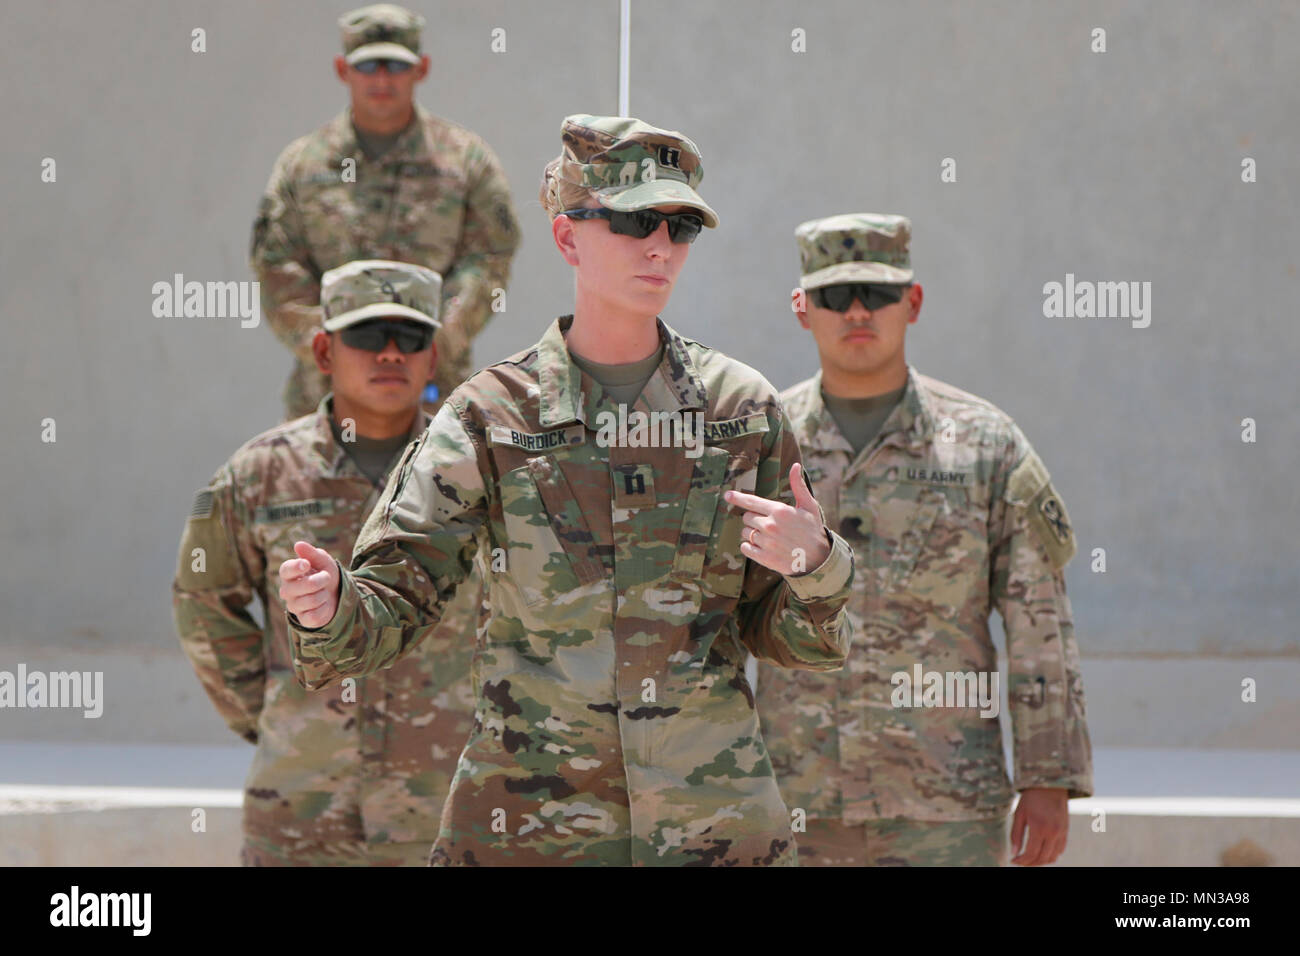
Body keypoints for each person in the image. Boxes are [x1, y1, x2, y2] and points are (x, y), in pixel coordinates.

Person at [278, 115, 856, 867]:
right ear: (565, 237)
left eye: (680, 226)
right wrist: (329, 607)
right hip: (530, 828)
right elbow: (392, 603)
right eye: (631, 219)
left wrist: (817, 566)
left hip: (710, 828)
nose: (660, 245)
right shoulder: (491, 415)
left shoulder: (738, 410)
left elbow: (792, 641)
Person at [756, 213, 1093, 866]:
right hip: (795, 794)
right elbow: (724, 617)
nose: (857, 311)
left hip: (944, 803)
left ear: (912, 302)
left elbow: (1038, 622)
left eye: (877, 294)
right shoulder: (766, 444)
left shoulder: (986, 445)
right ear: (802, 309)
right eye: (834, 295)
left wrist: (1047, 776)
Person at [173, 260, 478, 866]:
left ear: (433, 355)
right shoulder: (259, 474)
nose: (390, 354)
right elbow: (203, 602)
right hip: (302, 811)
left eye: (410, 337)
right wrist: (280, 716)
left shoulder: (471, 472)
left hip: (445, 808)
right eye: (367, 336)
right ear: (322, 350)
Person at [250, 2, 521, 420]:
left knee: (439, 487)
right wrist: (338, 350)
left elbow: (487, 261)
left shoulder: (466, 162)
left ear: (422, 68)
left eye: (395, 66)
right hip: (326, 400)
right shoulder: (303, 166)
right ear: (342, 69)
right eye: (368, 66)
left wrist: (435, 343)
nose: (381, 79)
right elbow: (276, 267)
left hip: (433, 395)